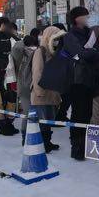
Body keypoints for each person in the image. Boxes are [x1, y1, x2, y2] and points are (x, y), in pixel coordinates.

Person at [63, 6, 99, 160]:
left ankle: (87, 145)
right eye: (85, 15)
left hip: (92, 78)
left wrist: (92, 53)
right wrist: (91, 53)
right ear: (77, 18)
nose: (88, 17)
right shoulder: (70, 36)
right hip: (77, 80)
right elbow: (80, 54)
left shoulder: (90, 33)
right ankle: (77, 147)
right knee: (78, 114)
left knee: (88, 114)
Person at [30, 25, 67, 153]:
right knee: (42, 120)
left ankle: (47, 142)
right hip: (42, 93)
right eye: (55, 39)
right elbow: (37, 72)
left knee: (48, 120)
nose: (57, 42)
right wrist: (39, 91)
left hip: (52, 92)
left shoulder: (56, 52)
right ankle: (43, 144)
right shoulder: (40, 52)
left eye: (58, 39)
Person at [16, 35, 39, 144]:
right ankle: (26, 137)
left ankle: (27, 136)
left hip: (25, 87)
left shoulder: (20, 52)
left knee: (29, 112)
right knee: (30, 113)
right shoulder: (27, 53)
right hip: (28, 87)